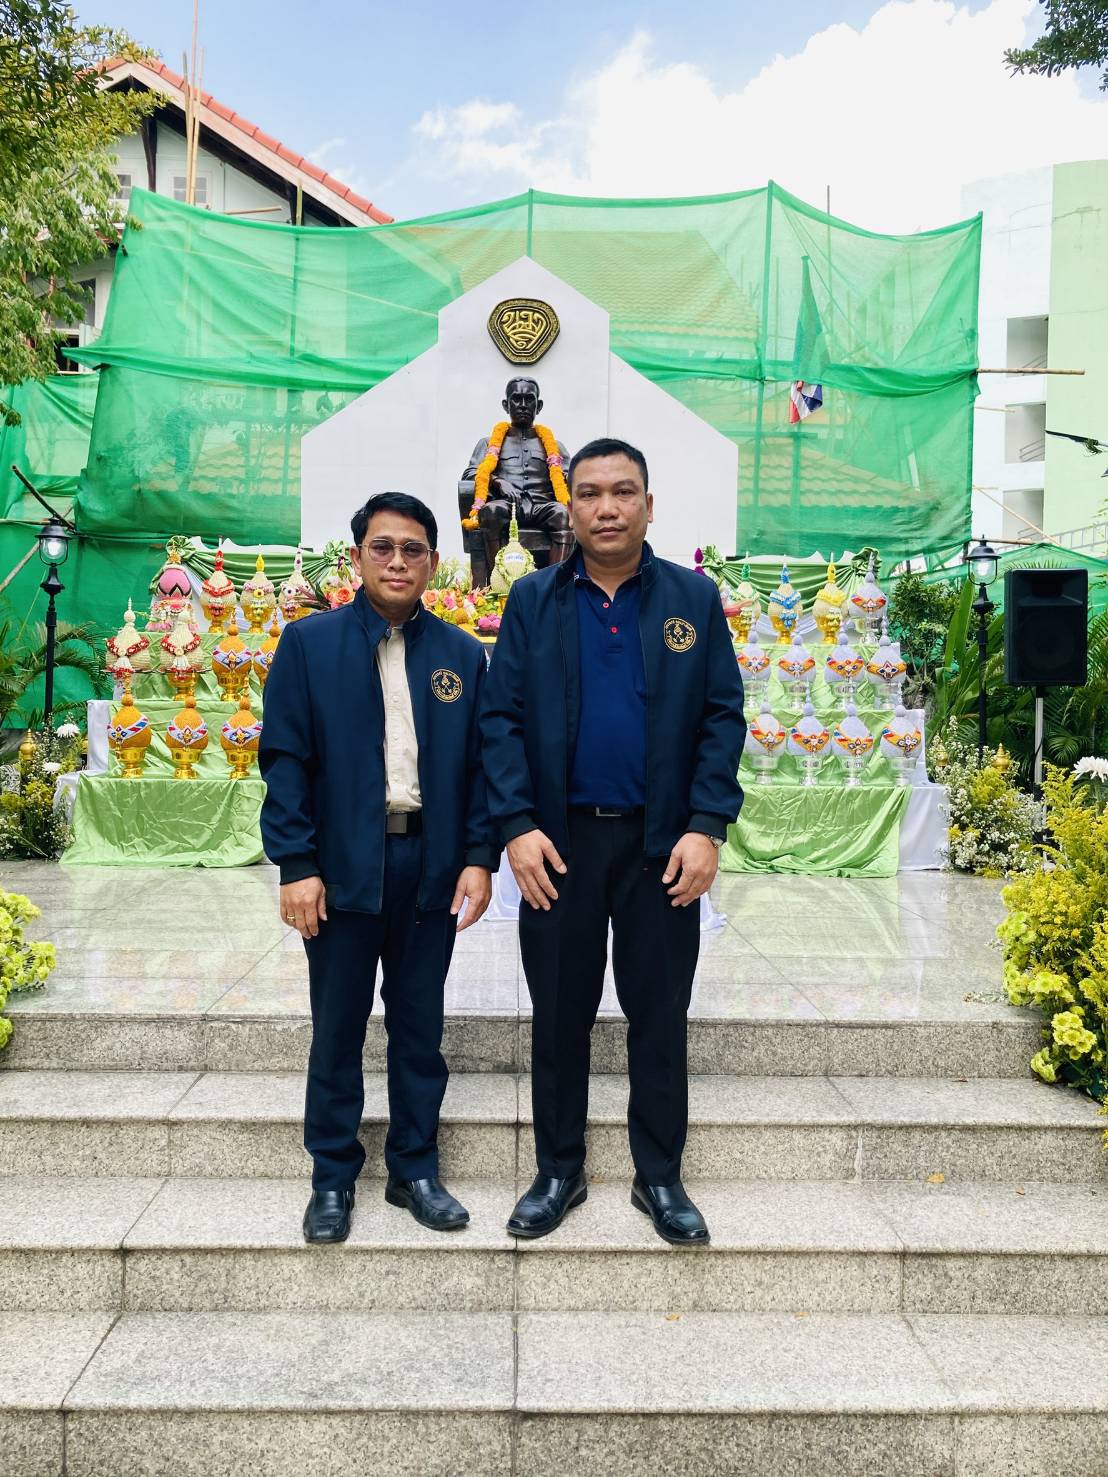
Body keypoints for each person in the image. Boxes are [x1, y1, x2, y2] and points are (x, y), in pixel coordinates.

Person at [481, 437, 746, 1246]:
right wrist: (516, 825)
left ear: (648, 506)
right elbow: (501, 719)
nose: (606, 507)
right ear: (571, 507)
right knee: (559, 1013)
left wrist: (706, 825)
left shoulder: (692, 600)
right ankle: (558, 1169)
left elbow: (721, 716)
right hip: (558, 847)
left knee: (659, 1013)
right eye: (590, 492)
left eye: (622, 491)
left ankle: (659, 1174)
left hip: (661, 849)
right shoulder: (533, 600)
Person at [260, 492, 496, 1245]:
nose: (398, 561)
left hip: (429, 865)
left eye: (413, 549)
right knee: (337, 1027)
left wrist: (478, 858)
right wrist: (297, 864)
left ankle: (414, 1169)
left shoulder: (460, 655)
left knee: (420, 1028)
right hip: (341, 867)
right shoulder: (310, 644)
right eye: (384, 547)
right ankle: (332, 1176)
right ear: (358, 555)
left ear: (433, 561)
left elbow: (480, 766)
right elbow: (285, 761)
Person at [460, 376, 574, 577]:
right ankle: (498, 579)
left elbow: (572, 477)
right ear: (506, 405)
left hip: (542, 506)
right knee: (490, 511)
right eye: (516, 399)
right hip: (507, 505)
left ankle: (555, 583)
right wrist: (497, 482)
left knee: (564, 514)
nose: (522, 405)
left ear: (538, 406)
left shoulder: (554, 446)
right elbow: (470, 474)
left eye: (529, 399)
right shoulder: (488, 443)